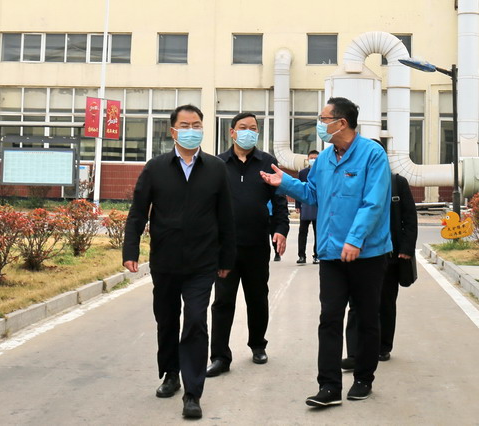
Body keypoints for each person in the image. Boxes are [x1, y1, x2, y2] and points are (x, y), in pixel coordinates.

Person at [260, 97, 392, 407]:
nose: (320, 124)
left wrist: (355, 239)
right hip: (332, 253)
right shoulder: (324, 159)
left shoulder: (373, 155)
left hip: (367, 254)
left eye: (323, 119)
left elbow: (373, 203)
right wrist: (284, 183)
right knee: (329, 317)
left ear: (341, 123)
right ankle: (329, 386)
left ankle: (363, 378)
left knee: (366, 318)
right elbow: (312, 193)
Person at [122, 104, 236, 420]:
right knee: (167, 319)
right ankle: (171, 373)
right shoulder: (156, 168)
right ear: (173, 131)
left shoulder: (215, 168)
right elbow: (138, 213)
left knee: (196, 321)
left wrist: (226, 257)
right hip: (166, 261)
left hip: (202, 262)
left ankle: (193, 392)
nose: (191, 130)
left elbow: (226, 217)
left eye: (196, 124)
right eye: (185, 125)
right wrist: (130, 251)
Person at [207, 112, 289, 377]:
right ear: (232, 132)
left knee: (257, 298)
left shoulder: (267, 162)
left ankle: (258, 345)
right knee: (223, 302)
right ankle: (219, 356)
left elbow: (279, 201)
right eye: (243, 127)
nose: (249, 132)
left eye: (253, 128)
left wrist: (281, 230)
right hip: (225, 248)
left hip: (256, 245)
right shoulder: (217, 164)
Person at [342, 169, 418, 369]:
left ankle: (383, 347)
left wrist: (407, 249)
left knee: (385, 302)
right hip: (359, 253)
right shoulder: (354, 180)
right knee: (355, 304)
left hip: (389, 255)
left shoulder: (397, 183)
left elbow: (410, 217)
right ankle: (354, 353)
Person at [296, 150, 319, 264]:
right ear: (307, 159)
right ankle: (301, 255)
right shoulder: (302, 173)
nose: (313, 160)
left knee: (318, 232)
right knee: (302, 232)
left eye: (315, 158)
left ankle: (317, 255)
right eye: (311, 158)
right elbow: (298, 189)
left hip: (318, 206)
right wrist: (297, 205)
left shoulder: (322, 172)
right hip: (305, 206)